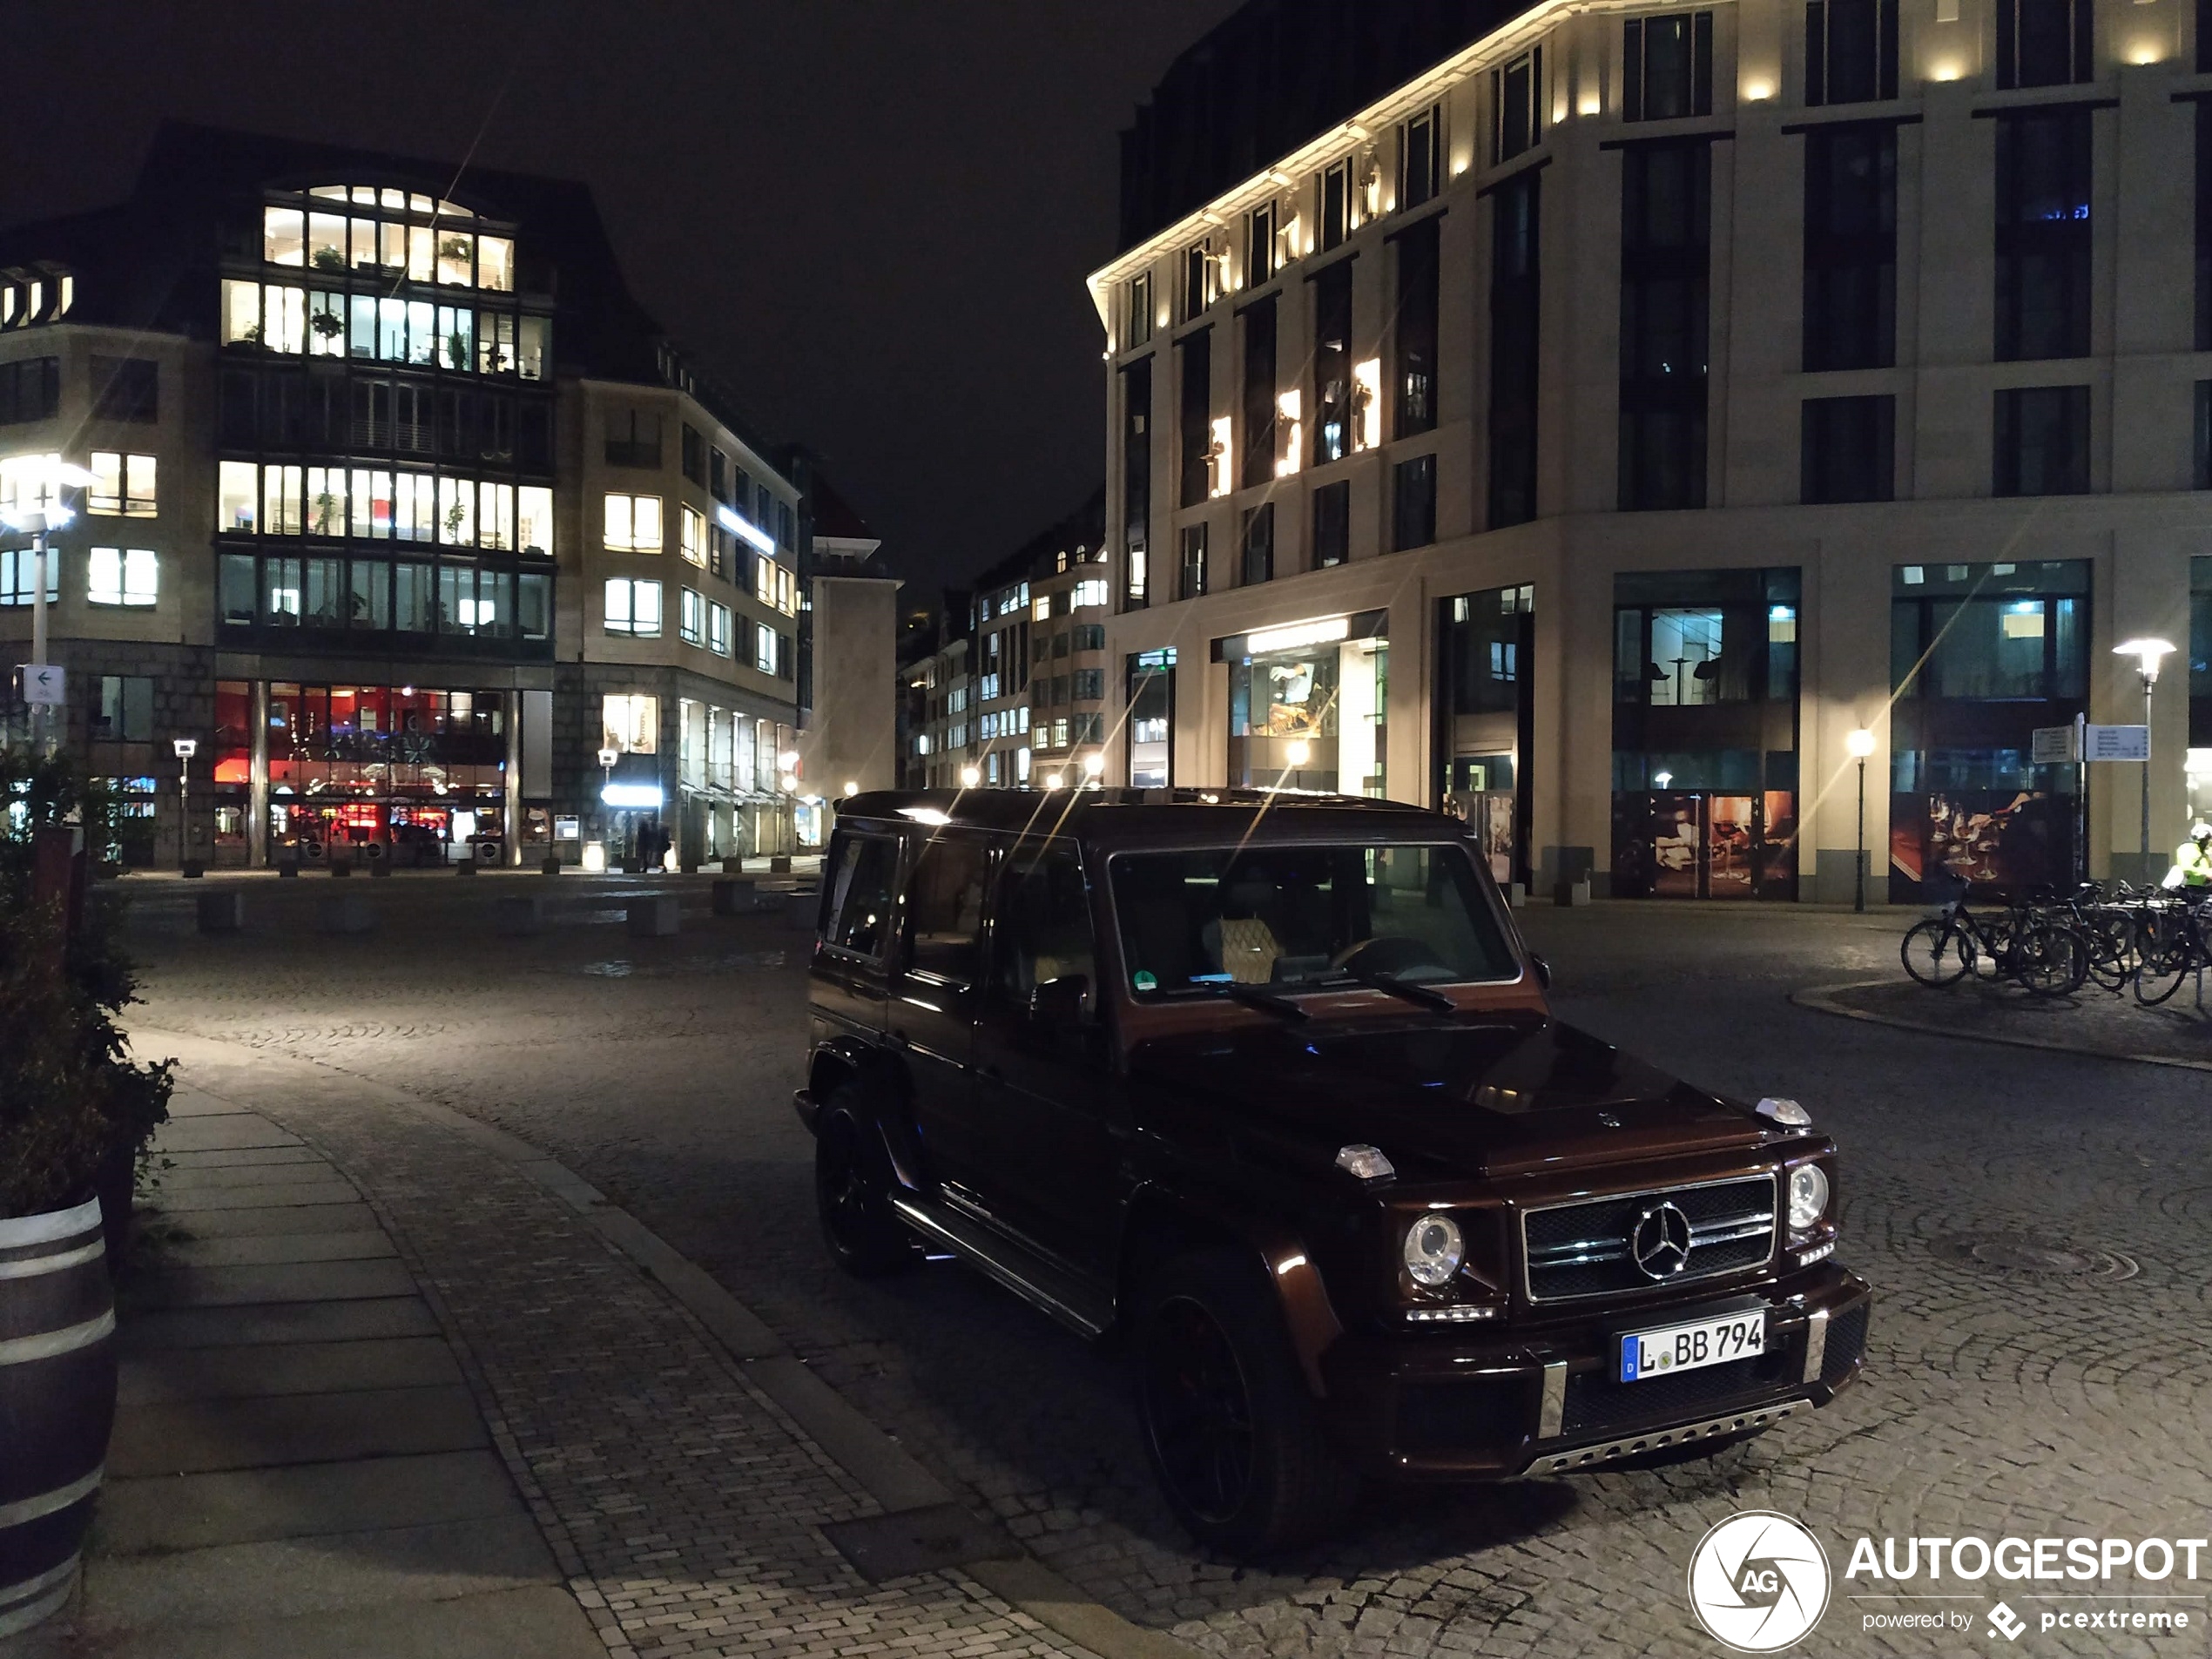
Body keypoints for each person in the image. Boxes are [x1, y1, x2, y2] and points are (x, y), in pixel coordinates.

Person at [2161, 821, 2212, 889]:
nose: (2209, 842)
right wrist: (2206, 873)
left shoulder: (2204, 851)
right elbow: (2186, 867)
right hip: (2184, 888)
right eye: (2208, 838)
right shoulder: (2188, 848)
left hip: (2200, 888)